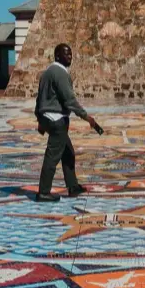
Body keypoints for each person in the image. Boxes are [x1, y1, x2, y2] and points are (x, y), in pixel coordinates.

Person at [34, 43, 98, 202]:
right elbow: (70, 100)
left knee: (68, 152)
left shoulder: (47, 72)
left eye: (70, 54)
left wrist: (40, 120)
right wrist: (87, 117)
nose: (70, 57)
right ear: (57, 56)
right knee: (52, 156)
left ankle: (73, 186)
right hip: (57, 121)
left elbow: (39, 98)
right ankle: (43, 192)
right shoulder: (60, 73)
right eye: (66, 54)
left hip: (47, 119)